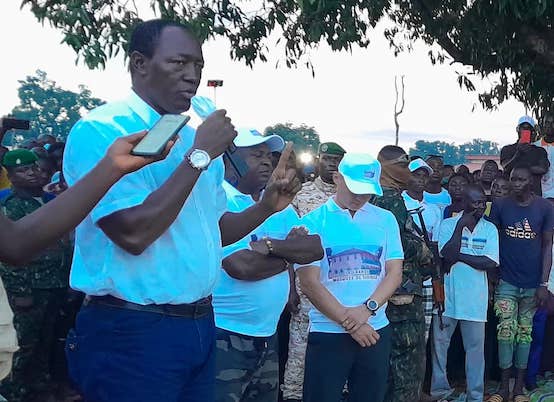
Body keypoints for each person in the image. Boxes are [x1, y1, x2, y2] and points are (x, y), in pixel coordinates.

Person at [62, 19, 300, 402]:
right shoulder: (104, 129)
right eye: (179, 63)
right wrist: (200, 155)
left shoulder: (193, 134)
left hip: (202, 324)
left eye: (199, 67)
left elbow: (211, 231)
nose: (192, 76)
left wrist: (267, 206)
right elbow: (133, 234)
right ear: (140, 64)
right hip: (132, 328)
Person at [213, 128, 323, 402]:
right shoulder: (219, 199)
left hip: (268, 335)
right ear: (229, 159)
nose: (266, 162)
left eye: (268, 156)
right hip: (224, 335)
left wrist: (271, 248)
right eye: (255, 155)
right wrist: (288, 251)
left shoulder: (278, 203)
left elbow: (313, 249)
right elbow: (241, 266)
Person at [297, 153, 403, 402]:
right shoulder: (313, 222)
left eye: (367, 191)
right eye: (355, 189)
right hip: (328, 331)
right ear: (337, 178)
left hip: (375, 329)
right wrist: (350, 322)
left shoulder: (385, 220)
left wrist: (368, 309)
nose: (360, 197)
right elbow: (310, 282)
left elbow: (394, 272)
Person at [0, 149, 72, 402]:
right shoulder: (12, 206)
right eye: (22, 170)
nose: (32, 173)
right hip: (31, 288)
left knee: (46, 340)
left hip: (55, 283)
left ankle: (39, 386)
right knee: (23, 345)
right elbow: (7, 257)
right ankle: (13, 392)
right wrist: (20, 292)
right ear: (10, 176)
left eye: (34, 168)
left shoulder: (51, 202)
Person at [283, 141, 345, 402]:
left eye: (337, 160)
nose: (332, 164)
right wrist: (289, 289)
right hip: (306, 290)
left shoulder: (350, 196)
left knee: (339, 359)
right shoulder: (301, 195)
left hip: (341, 289)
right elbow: (289, 245)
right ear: (318, 159)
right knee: (299, 357)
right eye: (328, 159)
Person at [487, 166, 554, 402]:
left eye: (521, 180)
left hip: (532, 283)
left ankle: (519, 389)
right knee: (505, 333)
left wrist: (544, 283)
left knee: (524, 335)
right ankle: (504, 387)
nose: (516, 183)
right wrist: (493, 274)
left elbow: (547, 246)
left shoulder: (545, 207)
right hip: (506, 280)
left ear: (531, 182)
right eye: (513, 179)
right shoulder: (500, 205)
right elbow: (492, 239)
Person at [373, 145, 434, 402]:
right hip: (401, 298)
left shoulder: (377, 198)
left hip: (390, 293)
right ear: (388, 168)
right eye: (403, 165)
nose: (409, 171)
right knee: (406, 366)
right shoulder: (388, 198)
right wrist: (422, 249)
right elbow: (396, 242)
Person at [431, 185, 499, 402]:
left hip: (475, 301)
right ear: (464, 202)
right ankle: (440, 393)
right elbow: (445, 257)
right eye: (475, 202)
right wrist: (460, 227)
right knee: (440, 349)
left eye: (482, 203)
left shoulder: (490, 229)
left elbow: (489, 262)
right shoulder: (449, 224)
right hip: (448, 298)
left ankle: (475, 396)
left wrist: (459, 256)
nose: (479, 207)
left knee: (476, 353)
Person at [401, 158, 442, 341]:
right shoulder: (397, 204)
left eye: (424, 176)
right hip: (402, 279)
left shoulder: (434, 210)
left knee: (423, 336)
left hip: (426, 280)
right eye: (416, 175)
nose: (420, 179)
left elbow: (436, 245)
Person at [500, 116, 549, 196]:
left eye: (529, 129)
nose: (526, 131)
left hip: (534, 195)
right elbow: (506, 168)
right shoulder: (507, 149)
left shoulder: (540, 151)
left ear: (533, 132)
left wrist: (519, 167)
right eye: (523, 128)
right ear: (517, 129)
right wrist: (518, 153)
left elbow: (543, 169)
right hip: (512, 195)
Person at [535, 110, 554, 199]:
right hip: (539, 195)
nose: (549, 126)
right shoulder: (534, 146)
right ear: (542, 124)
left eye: (552, 123)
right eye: (547, 122)